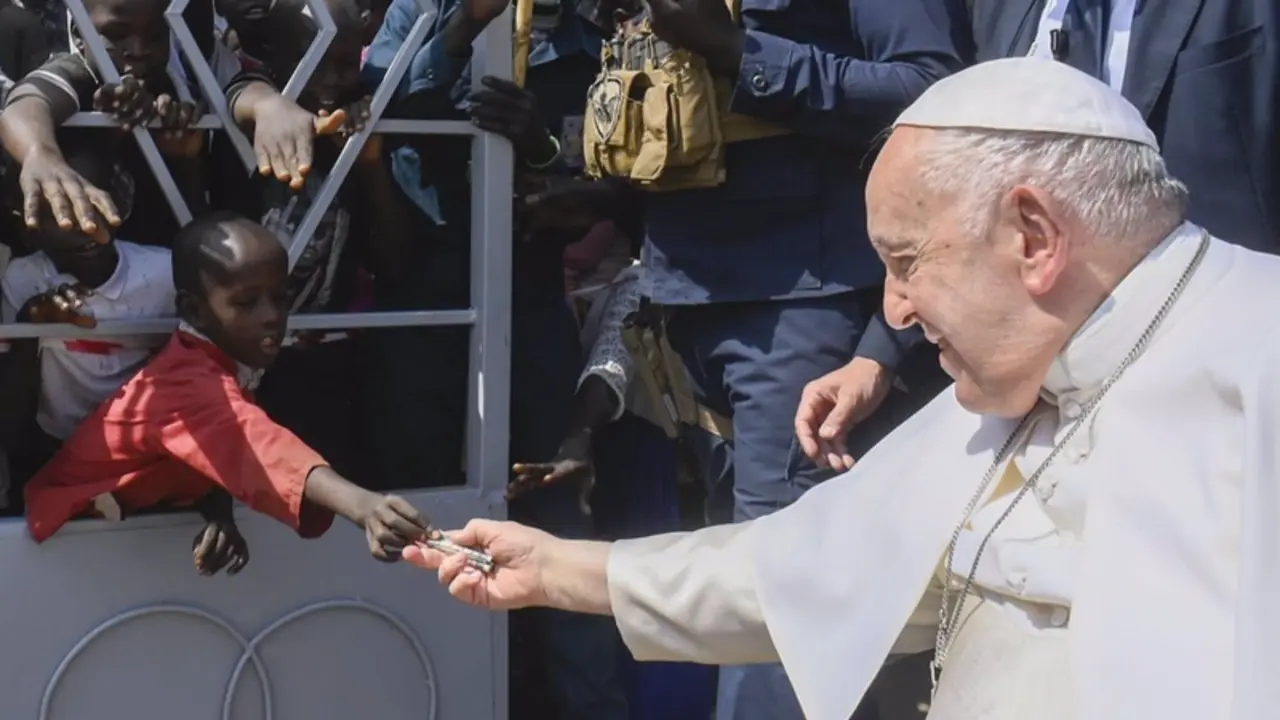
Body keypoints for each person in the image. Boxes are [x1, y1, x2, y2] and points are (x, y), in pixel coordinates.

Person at [402, 57, 1280, 720]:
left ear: (1035, 236)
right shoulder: (1033, 373)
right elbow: (805, 567)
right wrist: (559, 567)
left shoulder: (1257, 360)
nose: (894, 311)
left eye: (906, 263)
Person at [363, 3, 633, 717]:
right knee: (419, 507)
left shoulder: (594, 35)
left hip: (532, 296)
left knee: (554, 512)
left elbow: (614, 174)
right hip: (422, 298)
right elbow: (372, 116)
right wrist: (455, 36)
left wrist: (539, 147)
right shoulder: (418, 14)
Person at [22, 212, 433, 577]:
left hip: (115, 533)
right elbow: (253, 441)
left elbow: (215, 450)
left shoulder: (223, 360)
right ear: (195, 311)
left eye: (280, 297)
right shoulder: (184, 380)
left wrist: (218, 510)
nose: (271, 315)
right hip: (65, 540)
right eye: (246, 302)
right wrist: (362, 506)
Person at [0, 150, 171, 509]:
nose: (87, 225)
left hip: (142, 449)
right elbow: (12, 422)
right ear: (27, 228)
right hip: (54, 446)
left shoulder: (163, 274)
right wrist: (30, 327)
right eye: (62, 208)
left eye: (94, 201)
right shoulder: (23, 280)